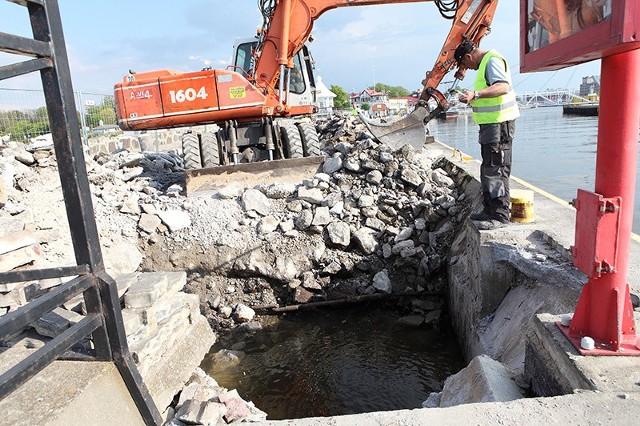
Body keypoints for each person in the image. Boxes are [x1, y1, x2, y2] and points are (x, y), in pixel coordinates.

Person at [455, 41, 520, 230]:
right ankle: (490, 211)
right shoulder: (486, 63)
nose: (470, 69)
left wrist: (475, 94)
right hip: (491, 125)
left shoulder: (492, 61)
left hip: (500, 124)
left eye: (467, 66)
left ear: (468, 57)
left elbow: (502, 87)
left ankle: (499, 216)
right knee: (489, 167)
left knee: (496, 168)